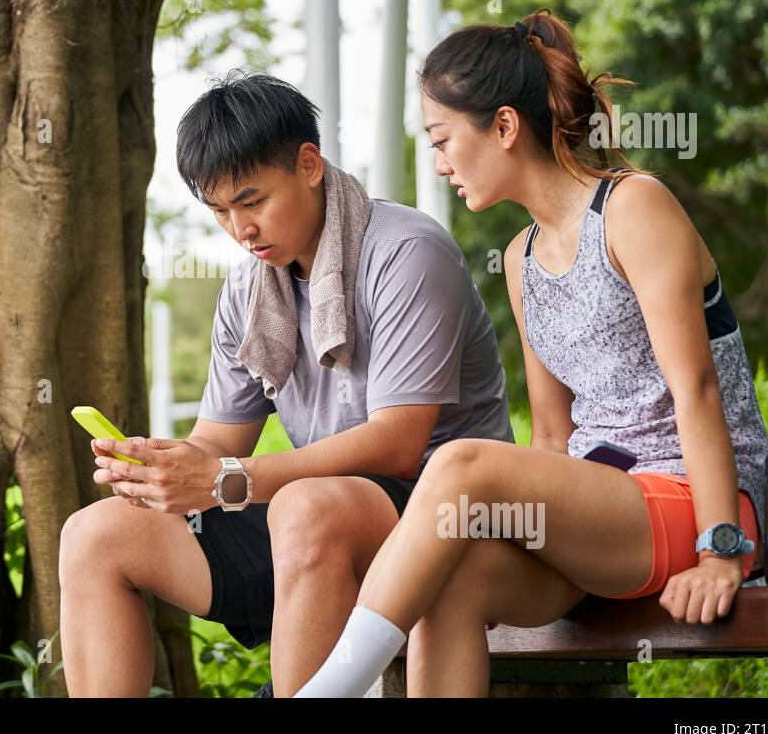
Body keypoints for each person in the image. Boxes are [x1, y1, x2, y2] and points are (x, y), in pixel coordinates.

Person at [294, 10, 768, 698]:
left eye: (442, 139)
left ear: (506, 127)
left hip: (696, 502)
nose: (439, 163)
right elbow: (552, 436)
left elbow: (696, 390)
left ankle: (327, 692)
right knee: (450, 581)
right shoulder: (520, 258)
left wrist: (721, 549)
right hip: (598, 516)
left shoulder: (634, 208)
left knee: (459, 462)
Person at [59, 71, 515, 696]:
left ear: (308, 164)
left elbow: (398, 444)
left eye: (252, 202)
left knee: (305, 508)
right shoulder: (249, 290)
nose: (239, 229)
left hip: (443, 516)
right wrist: (163, 470)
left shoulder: (407, 252)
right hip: (318, 522)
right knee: (94, 533)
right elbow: (219, 438)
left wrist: (224, 481)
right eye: (219, 211)